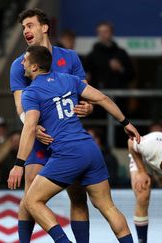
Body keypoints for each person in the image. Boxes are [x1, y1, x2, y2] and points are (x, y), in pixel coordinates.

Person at [9, 45, 140, 243]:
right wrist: (126, 123)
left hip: (67, 153)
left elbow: (29, 128)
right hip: (90, 148)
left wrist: (19, 164)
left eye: (25, 60)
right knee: (107, 207)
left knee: (32, 200)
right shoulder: (69, 80)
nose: (22, 63)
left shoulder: (31, 92)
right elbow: (102, 98)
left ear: (35, 67)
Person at [8, 8, 94, 243]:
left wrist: (88, 108)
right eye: (23, 27)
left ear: (44, 27)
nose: (26, 30)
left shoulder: (70, 58)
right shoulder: (20, 65)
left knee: (78, 197)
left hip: (68, 138)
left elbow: (87, 98)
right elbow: (19, 107)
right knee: (30, 198)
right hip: (40, 139)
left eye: (30, 25)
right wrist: (32, 127)